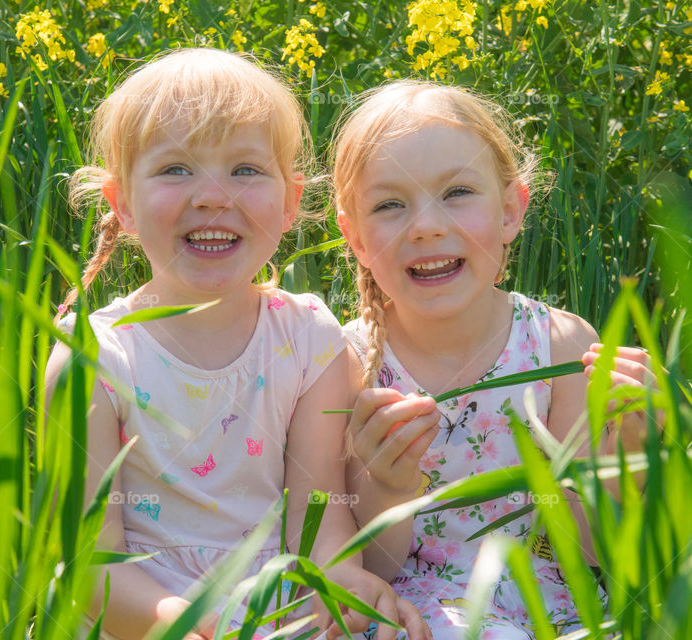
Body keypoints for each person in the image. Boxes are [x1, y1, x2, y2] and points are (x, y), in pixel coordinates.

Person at [44, 49, 428, 640]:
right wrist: (184, 626)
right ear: (121, 204)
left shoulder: (310, 340)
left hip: (276, 600)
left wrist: (341, 582)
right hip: (139, 610)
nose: (213, 196)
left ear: (290, 201)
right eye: (176, 169)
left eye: (245, 170)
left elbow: (317, 517)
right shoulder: (94, 353)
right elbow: (91, 562)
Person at [331, 81, 655, 638]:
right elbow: (371, 566)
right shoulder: (344, 361)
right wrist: (387, 488)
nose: (427, 225)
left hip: (540, 605)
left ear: (510, 211)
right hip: (403, 610)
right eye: (389, 205)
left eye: (457, 193)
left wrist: (628, 449)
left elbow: (588, 547)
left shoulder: (559, 346)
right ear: (356, 239)